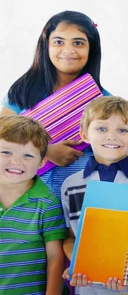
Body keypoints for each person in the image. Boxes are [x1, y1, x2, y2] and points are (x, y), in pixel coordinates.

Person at [1, 11, 109, 197]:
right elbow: (3, 132)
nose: (68, 50)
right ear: (46, 46)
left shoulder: (103, 101)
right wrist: (47, 151)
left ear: (92, 48)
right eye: (59, 42)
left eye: (78, 42)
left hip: (78, 195)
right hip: (25, 194)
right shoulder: (24, 89)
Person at [61, 96, 128, 294]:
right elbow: (70, 237)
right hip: (87, 287)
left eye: (122, 130)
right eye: (102, 129)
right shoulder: (71, 185)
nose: (112, 136)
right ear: (84, 134)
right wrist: (76, 263)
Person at [0, 116, 67, 295]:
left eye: (28, 155)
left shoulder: (47, 203)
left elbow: (55, 256)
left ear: (42, 162)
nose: (16, 161)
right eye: (6, 152)